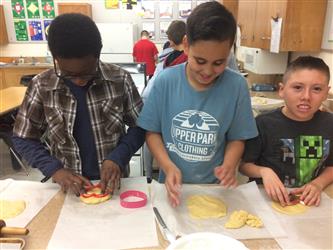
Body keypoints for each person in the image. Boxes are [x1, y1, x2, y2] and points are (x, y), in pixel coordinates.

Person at [137, 2, 257, 207]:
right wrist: (167, 166)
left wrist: (229, 165)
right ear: (186, 44)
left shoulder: (236, 86)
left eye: (218, 63)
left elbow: (237, 137)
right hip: (173, 188)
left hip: (216, 191)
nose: (208, 71)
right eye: (200, 61)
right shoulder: (165, 81)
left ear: (229, 52)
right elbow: (152, 132)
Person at [12, 13, 145, 196]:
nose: (80, 81)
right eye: (68, 74)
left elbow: (141, 126)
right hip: (67, 187)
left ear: (98, 54)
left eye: (87, 73)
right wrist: (55, 170)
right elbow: (23, 137)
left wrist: (118, 157)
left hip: (114, 184)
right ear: (55, 57)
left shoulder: (119, 80)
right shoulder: (42, 85)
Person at [240, 56, 333, 207]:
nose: (306, 96)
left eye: (316, 89)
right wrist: (264, 172)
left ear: (325, 93)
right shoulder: (264, 123)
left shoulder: (329, 124)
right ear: (282, 90)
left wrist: (318, 184)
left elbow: (331, 166)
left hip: (308, 203)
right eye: (297, 87)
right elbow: (244, 166)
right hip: (265, 201)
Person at [142, 20, 187, 182]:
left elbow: (147, 93)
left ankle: (148, 175)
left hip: (163, 110)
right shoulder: (181, 61)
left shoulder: (165, 60)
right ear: (186, 40)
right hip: (175, 111)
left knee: (163, 145)